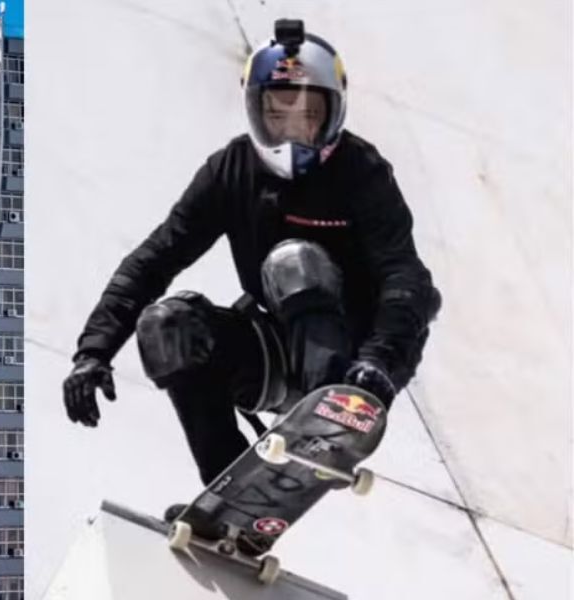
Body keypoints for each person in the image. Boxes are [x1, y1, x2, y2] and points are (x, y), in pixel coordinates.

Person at [62, 20, 441, 502]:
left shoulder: (361, 171)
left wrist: (379, 361)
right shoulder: (230, 170)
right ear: (255, 111)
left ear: (334, 113)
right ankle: (230, 491)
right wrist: (92, 351)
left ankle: (327, 413)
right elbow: (154, 259)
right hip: (280, 350)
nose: (292, 130)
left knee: (293, 261)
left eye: (308, 115)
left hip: (362, 359)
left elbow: (405, 279)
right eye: (277, 114)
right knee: (167, 325)